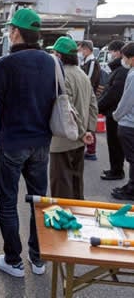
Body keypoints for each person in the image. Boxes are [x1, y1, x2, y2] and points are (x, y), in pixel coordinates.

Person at [0, 8, 56, 278]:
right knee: (39, 201)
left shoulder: (5, 65)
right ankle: (38, 259)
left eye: (10, 29)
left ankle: (13, 260)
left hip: (12, 142)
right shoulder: (52, 62)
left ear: (16, 32)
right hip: (41, 142)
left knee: (8, 202)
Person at [49, 37, 98, 199]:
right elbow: (93, 104)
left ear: (60, 56)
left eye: (54, 53)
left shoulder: (62, 76)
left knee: (61, 186)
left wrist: (83, 132)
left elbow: (66, 108)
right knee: (77, 184)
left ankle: (65, 222)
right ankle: (79, 219)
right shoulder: (82, 74)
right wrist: (89, 130)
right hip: (80, 140)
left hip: (63, 139)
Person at [98, 40, 129, 181]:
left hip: (115, 114)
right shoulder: (117, 70)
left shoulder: (122, 72)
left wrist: (99, 106)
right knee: (113, 144)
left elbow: (113, 94)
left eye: (111, 52)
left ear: (118, 52)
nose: (110, 55)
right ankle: (114, 168)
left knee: (116, 145)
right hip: (112, 112)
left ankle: (117, 171)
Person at [111, 42, 134, 201]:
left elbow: (127, 100)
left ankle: (131, 189)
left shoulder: (132, 74)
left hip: (129, 123)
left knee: (132, 159)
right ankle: (131, 185)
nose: (123, 60)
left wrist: (116, 115)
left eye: (125, 57)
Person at [77, 40, 100, 161]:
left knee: (89, 123)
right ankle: (88, 148)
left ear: (87, 49)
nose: (80, 52)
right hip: (86, 95)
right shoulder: (86, 61)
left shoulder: (92, 62)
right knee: (86, 122)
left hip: (88, 96)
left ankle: (91, 151)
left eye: (81, 49)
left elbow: (88, 80)